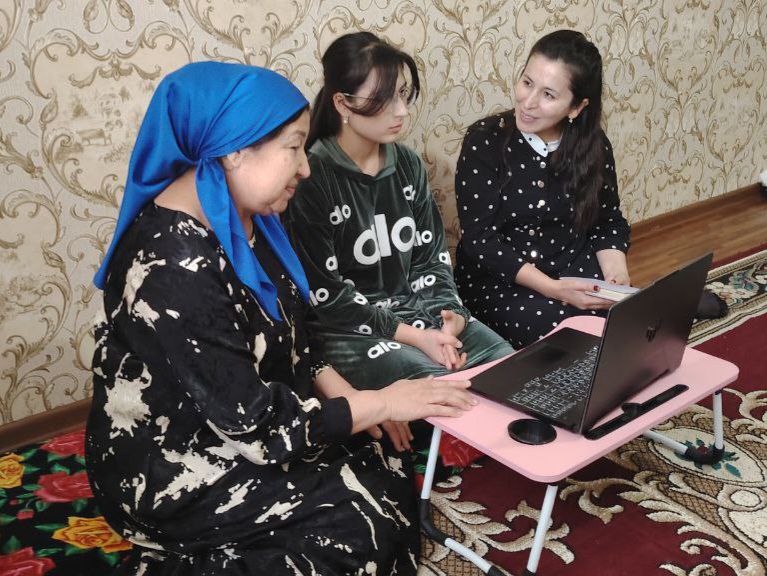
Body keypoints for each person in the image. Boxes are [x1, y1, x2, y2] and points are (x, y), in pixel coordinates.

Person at [86, 61, 478, 576]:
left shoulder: (247, 218)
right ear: (234, 150)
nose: (305, 168)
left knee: (383, 459)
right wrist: (382, 400)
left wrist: (355, 400)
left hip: (243, 418)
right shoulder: (172, 268)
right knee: (358, 532)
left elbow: (294, 337)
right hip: (175, 462)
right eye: (293, 148)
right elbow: (258, 428)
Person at [284, 32, 513, 409]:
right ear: (342, 102)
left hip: (422, 310)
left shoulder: (407, 164)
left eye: (404, 95)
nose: (402, 111)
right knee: (445, 395)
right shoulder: (313, 177)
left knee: (509, 369)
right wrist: (414, 337)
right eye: (384, 99)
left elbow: (431, 258)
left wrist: (450, 318)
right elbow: (327, 297)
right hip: (351, 330)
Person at [453, 30, 632, 349]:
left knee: (629, 326)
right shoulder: (484, 140)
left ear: (576, 107)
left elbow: (607, 222)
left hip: (572, 267)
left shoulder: (594, 145)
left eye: (548, 95)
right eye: (527, 82)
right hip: (502, 279)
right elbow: (480, 240)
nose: (528, 102)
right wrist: (553, 289)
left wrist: (616, 280)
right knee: (566, 339)